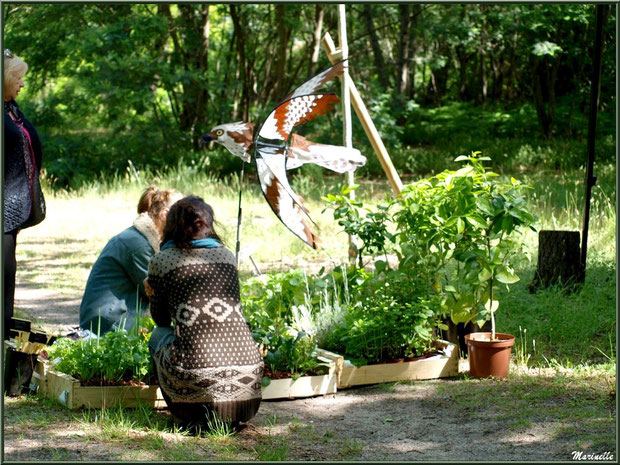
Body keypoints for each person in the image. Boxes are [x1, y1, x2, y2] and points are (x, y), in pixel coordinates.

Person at [146, 196, 263, 427]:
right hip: (248, 400)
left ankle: (176, 406)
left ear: (172, 224)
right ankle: (222, 414)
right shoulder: (227, 256)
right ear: (208, 224)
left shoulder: (162, 260)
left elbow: (161, 319)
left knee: (158, 335)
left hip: (195, 405)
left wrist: (152, 291)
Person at [78, 186, 182, 336]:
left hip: (111, 316)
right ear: (165, 215)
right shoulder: (138, 245)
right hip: (107, 324)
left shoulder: (140, 238)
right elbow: (162, 295)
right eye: (183, 215)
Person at [3, 48, 46, 341]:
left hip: (14, 207)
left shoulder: (12, 108)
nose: (22, 83)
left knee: (7, 274)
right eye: (18, 77)